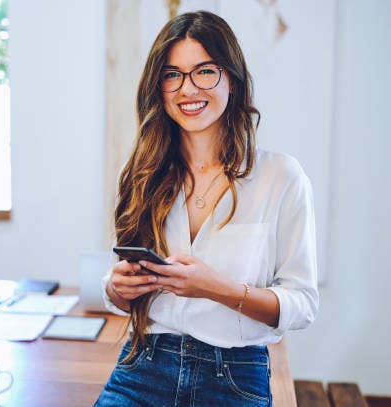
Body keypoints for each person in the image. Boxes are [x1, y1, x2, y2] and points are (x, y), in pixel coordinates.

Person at [96, 10, 318, 407]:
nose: (188, 88)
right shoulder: (140, 173)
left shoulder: (281, 177)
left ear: (231, 78)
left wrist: (217, 290)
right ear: (159, 87)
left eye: (204, 71)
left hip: (235, 374)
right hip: (143, 364)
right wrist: (118, 287)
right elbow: (123, 290)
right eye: (172, 74)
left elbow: (301, 304)